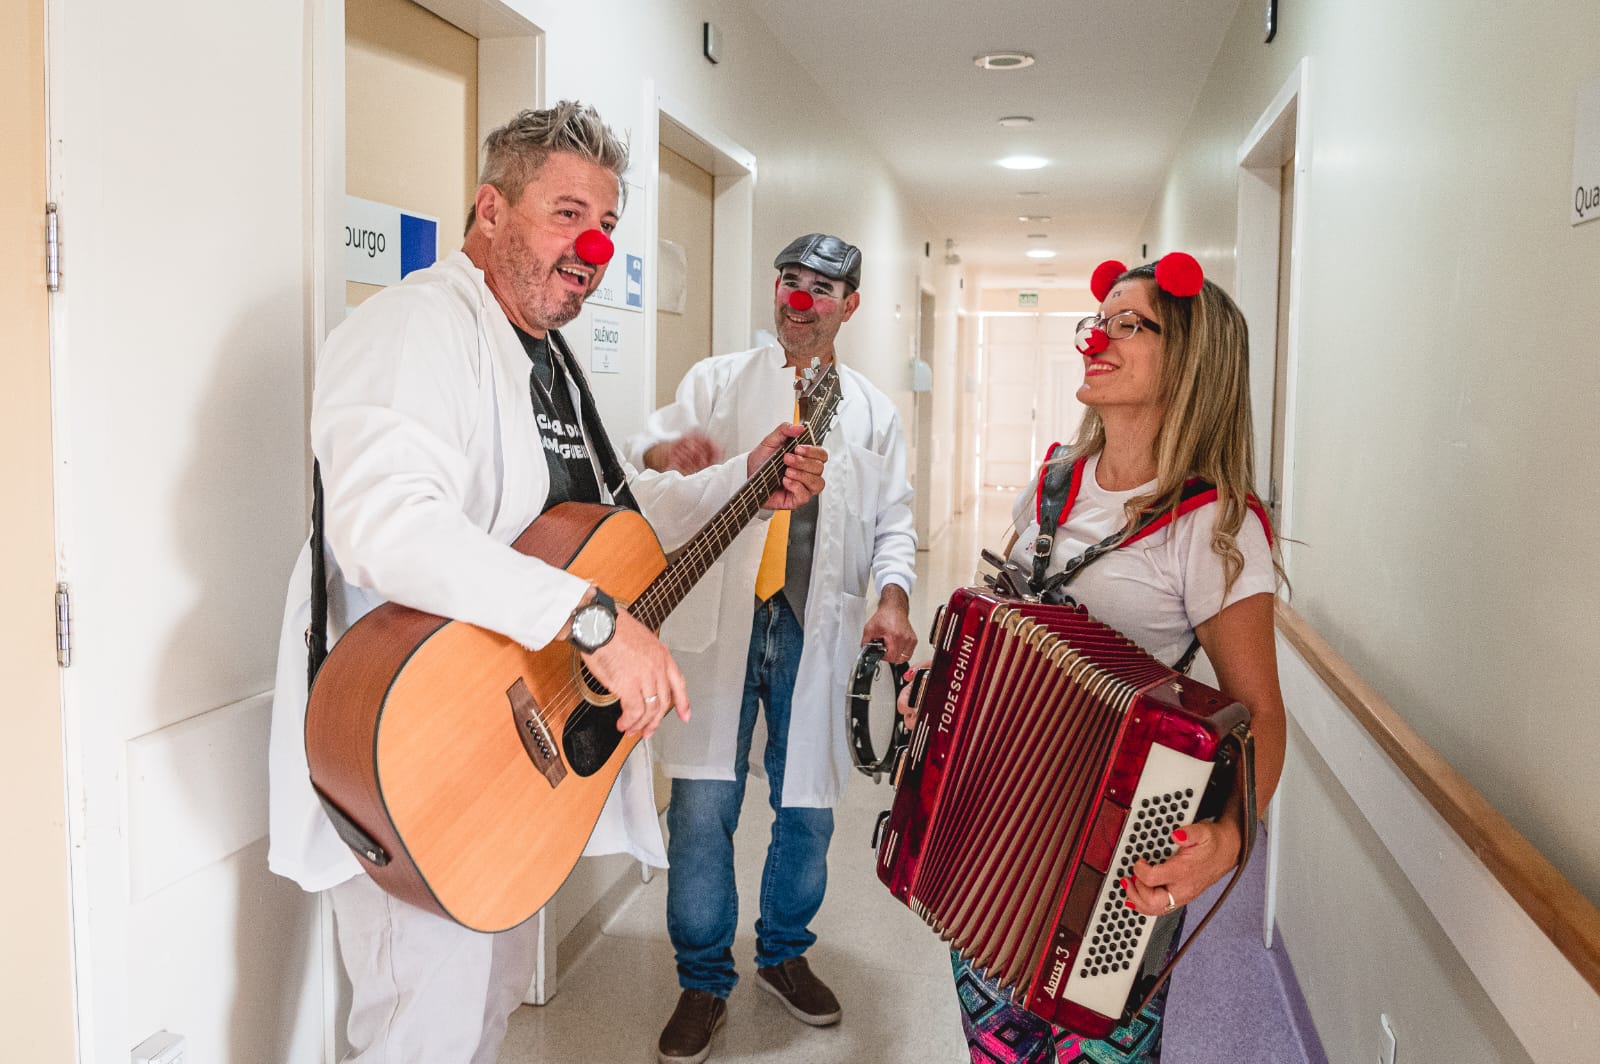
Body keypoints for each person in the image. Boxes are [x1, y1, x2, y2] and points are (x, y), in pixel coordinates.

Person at [265, 102, 827, 1064]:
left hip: (512, 766)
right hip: (422, 749)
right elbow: (385, 526)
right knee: (420, 1037)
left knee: (474, 1029)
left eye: (604, 222)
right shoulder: (414, 329)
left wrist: (740, 483)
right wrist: (595, 621)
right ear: (490, 211)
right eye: (567, 212)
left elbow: (606, 521)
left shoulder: (548, 358)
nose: (594, 244)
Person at [901, 255, 1287, 1063]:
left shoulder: (1212, 526)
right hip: (991, 824)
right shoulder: (1050, 487)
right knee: (995, 1047)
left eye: (1127, 325)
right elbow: (992, 626)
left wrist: (1229, 838)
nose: (1096, 341)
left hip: (1114, 860)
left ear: (1188, 357)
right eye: (1096, 324)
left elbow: (1260, 715)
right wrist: (935, 688)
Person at [625, 234, 918, 1064]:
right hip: (724, 621)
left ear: (848, 305)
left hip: (815, 627)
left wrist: (893, 595)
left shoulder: (874, 413)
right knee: (702, 806)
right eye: (788, 281)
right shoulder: (715, 383)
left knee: (808, 806)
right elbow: (647, 475)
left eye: (820, 289)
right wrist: (666, 455)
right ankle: (701, 978)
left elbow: (894, 521)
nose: (798, 299)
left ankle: (784, 953)